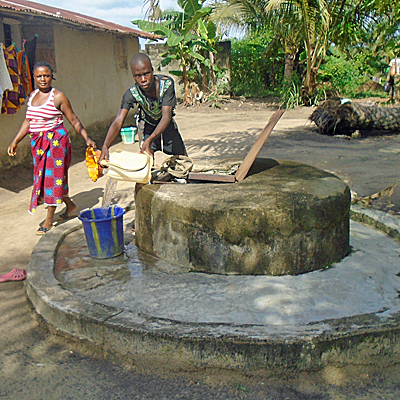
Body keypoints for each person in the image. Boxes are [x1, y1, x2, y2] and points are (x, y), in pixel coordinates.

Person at [7, 61, 96, 237]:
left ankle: (49, 219)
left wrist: (87, 137)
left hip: (56, 142)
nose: (43, 79)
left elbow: (73, 119)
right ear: (34, 78)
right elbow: (28, 121)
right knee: (44, 178)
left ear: (51, 76)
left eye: (46, 75)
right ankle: (71, 207)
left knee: (52, 179)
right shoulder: (32, 96)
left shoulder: (58, 97)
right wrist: (15, 140)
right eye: (39, 76)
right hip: (38, 145)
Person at [99, 52, 187, 164]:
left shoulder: (166, 85)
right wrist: (106, 145)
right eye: (138, 76)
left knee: (182, 161)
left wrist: (150, 139)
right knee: (146, 163)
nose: (143, 79)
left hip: (166, 125)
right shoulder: (131, 94)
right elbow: (118, 121)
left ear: (152, 70)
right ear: (133, 76)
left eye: (146, 73)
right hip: (148, 126)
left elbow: (166, 117)